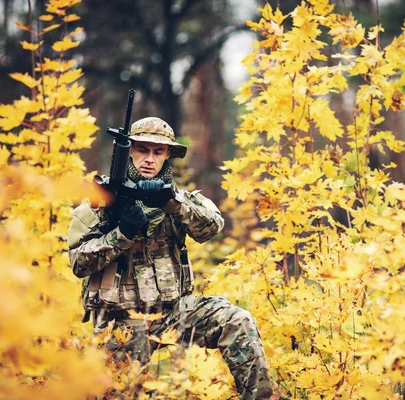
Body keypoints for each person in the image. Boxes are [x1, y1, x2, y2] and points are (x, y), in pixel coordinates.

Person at [67, 117, 273, 399]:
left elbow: (211, 227)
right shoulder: (99, 205)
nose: (149, 159)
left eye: (158, 152)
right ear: (128, 152)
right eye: (142, 149)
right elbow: (79, 263)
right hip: (122, 323)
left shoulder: (176, 200)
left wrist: (172, 203)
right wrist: (122, 233)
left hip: (176, 312)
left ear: (167, 157)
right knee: (109, 392)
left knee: (237, 321)